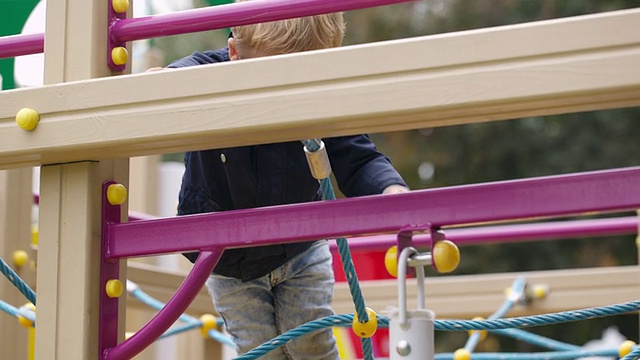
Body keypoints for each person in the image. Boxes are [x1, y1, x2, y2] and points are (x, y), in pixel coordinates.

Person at [166, 1, 408, 358]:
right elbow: (175, 80)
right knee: (259, 350)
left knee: (310, 341)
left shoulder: (320, 96)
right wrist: (158, 80)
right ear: (234, 53)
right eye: (270, 78)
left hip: (300, 249)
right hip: (229, 259)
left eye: (301, 79)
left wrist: (390, 188)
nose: (284, 92)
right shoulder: (210, 72)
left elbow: (356, 155)